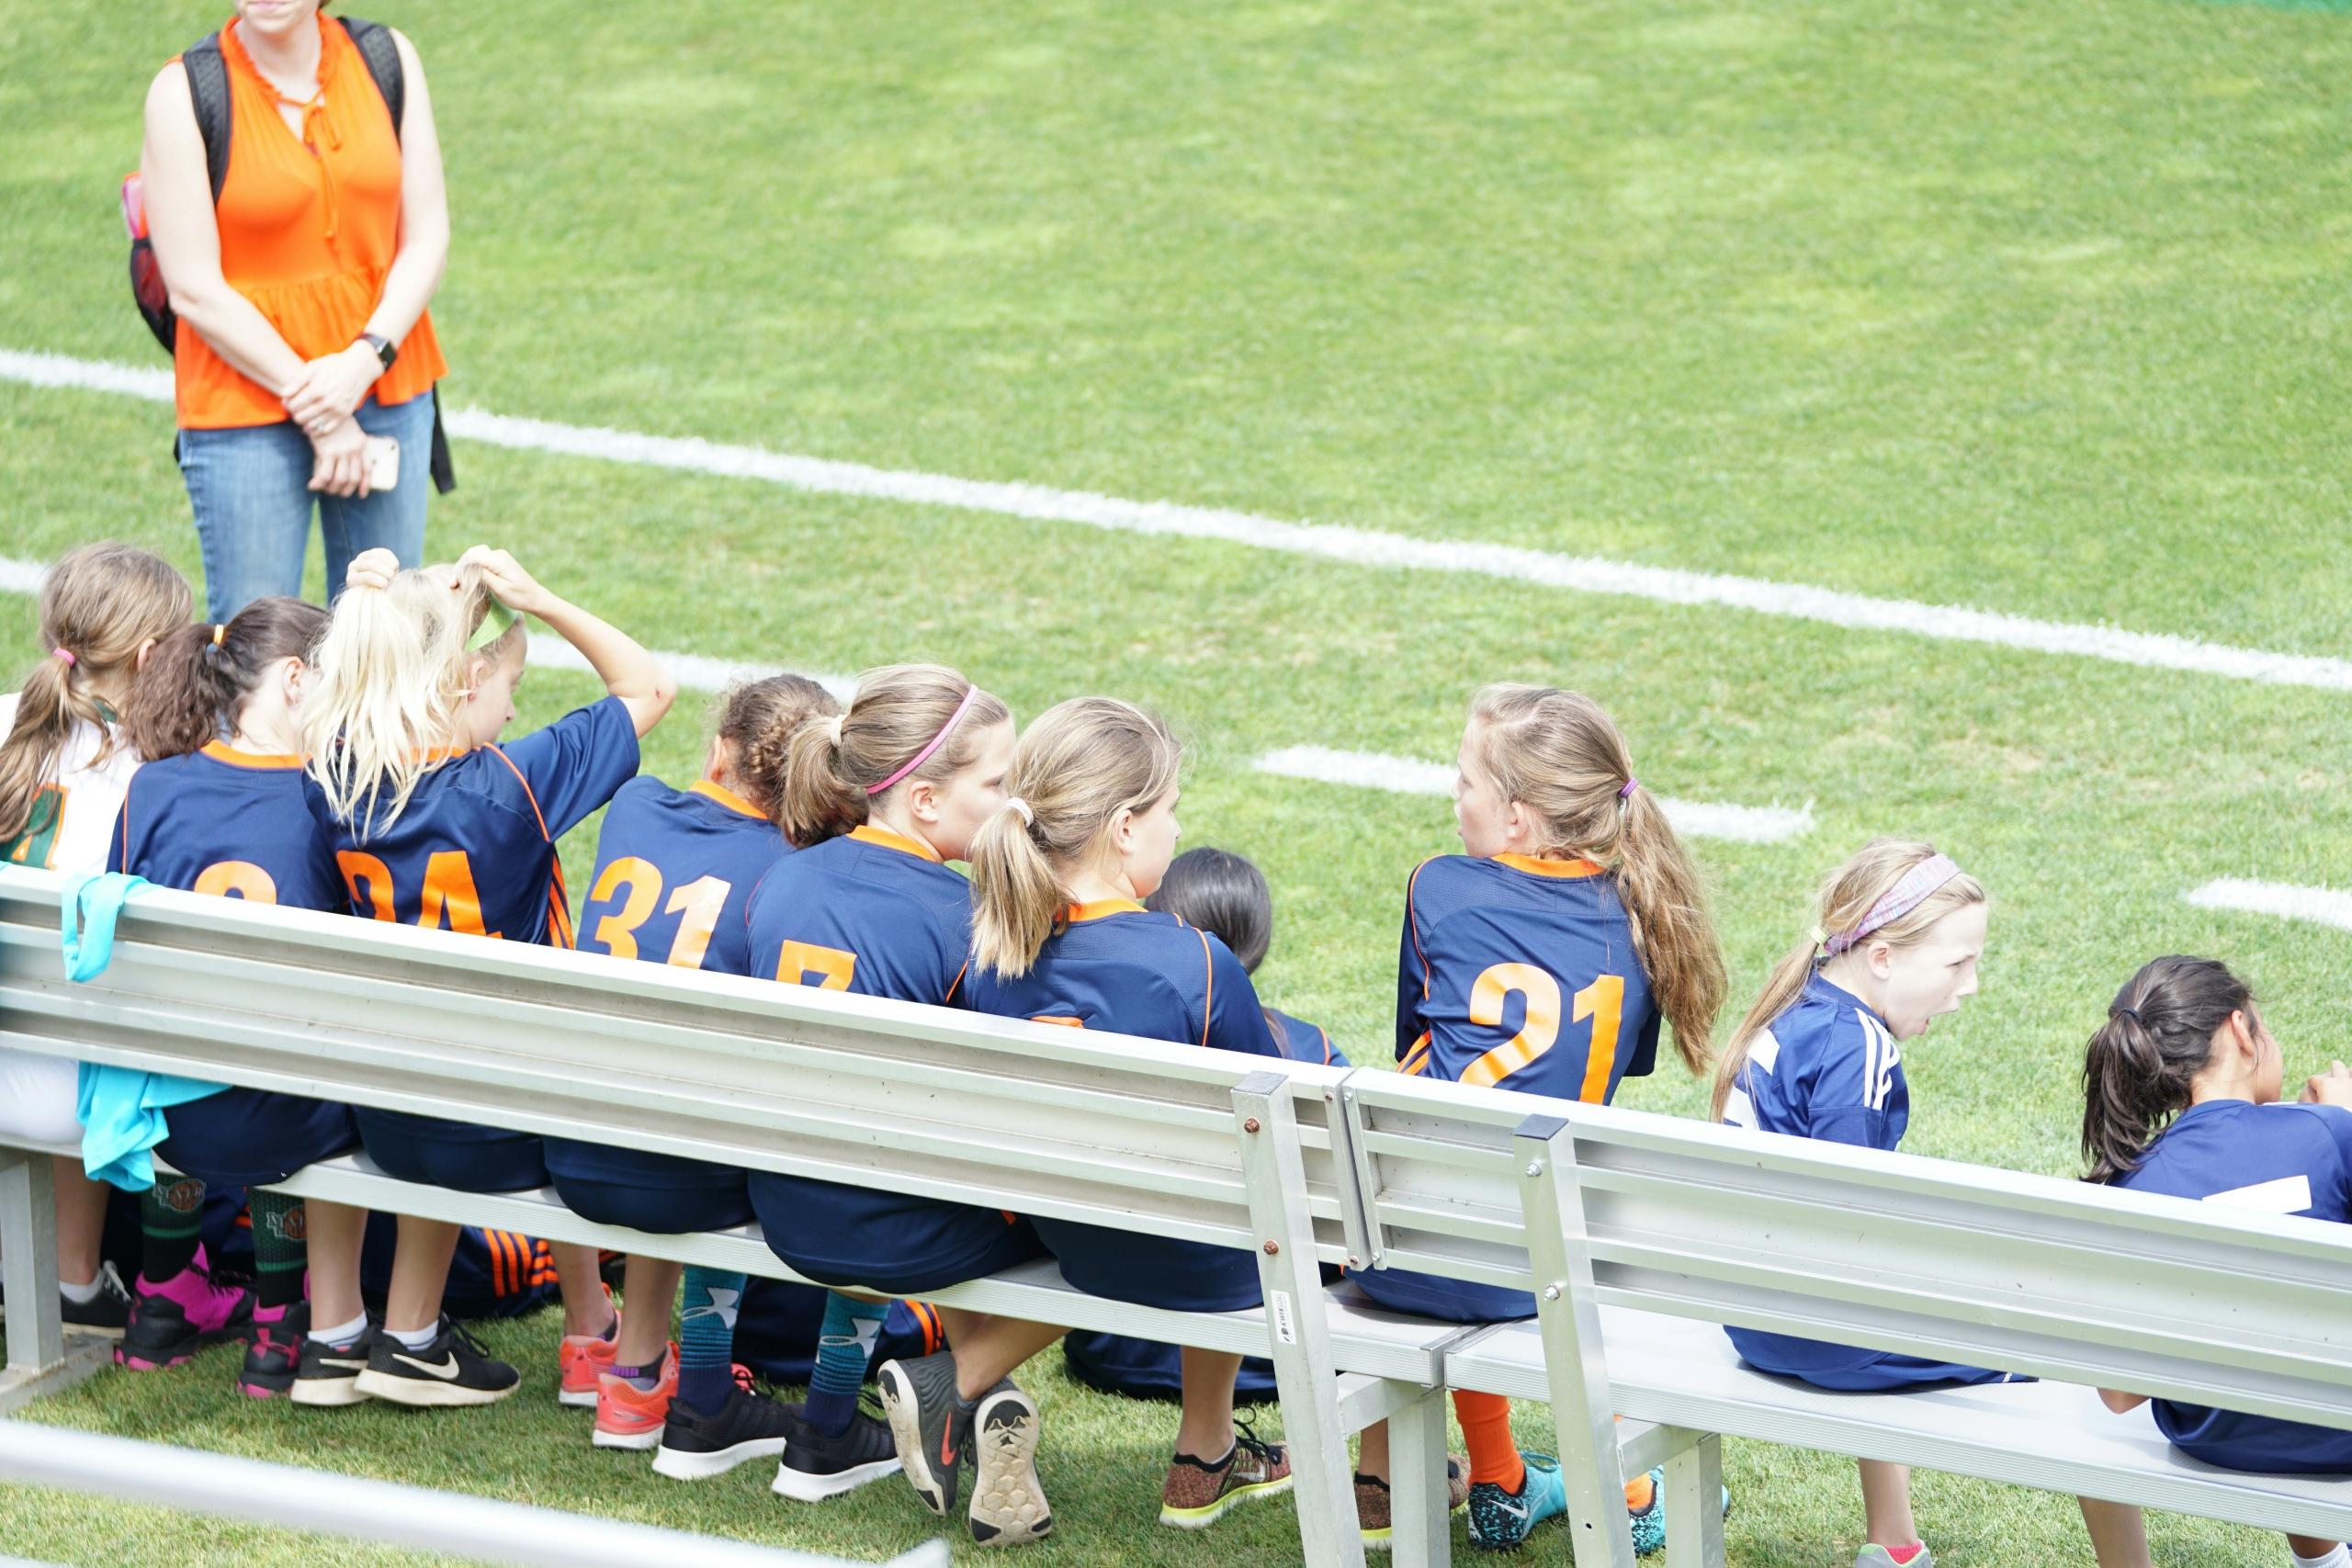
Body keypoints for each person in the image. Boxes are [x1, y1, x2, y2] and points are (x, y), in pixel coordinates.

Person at [882, 696, 1295, 1548]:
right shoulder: (1197, 962)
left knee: (1180, 1201)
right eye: (1171, 811)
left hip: (1075, 1235)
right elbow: (1275, 1137)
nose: (1178, 832)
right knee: (1248, 1208)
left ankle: (1204, 1451)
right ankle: (1218, 1450)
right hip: (1194, 1263)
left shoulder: (996, 955)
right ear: (1124, 827)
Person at [1351, 683, 1725, 1552]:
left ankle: (1496, 1473)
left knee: (1456, 1170)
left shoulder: (1439, 885)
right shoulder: (1641, 923)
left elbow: (1418, 1044)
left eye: (1465, 784)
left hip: (1397, 1251)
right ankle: (1631, 1490)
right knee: (1552, 1204)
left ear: (1517, 817)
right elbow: (1593, 1084)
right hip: (1537, 1270)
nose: (1454, 798)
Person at [300, 547, 673, 1406]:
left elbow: (363, 670)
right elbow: (647, 686)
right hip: (502, 1122)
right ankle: (585, 1330)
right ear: (462, 685)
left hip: (387, 1107)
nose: (512, 713)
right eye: (506, 690)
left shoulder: (335, 774)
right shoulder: (508, 784)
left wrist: (388, 600)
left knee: (453, 1048)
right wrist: (536, 600)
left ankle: (449, 1329)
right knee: (562, 1064)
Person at [734, 665, 1019, 1512]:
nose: (1013, 804)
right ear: (924, 800)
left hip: (784, 1205)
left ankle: (854, 1429)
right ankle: (959, 1385)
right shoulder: (966, 913)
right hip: (886, 1230)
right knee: (1088, 1233)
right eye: (997, 783)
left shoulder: (781, 877)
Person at [540, 672, 838, 1475]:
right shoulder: (794, 871)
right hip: (682, 1171)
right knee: (697, 1112)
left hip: (568, 1151)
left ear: (718, 751)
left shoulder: (636, 807)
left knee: (639, 1084)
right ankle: (638, 1371)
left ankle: (590, 1342)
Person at [102, 597, 367, 1403]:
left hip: (165, 1108)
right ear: (294, 680)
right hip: (277, 1110)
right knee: (308, 1064)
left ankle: (161, 1296)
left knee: (209, 1055)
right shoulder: (330, 797)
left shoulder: (154, 783)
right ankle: (283, 1317)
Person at [1713, 838, 2002, 1568]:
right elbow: (1855, 1233)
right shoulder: (1860, 1050)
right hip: (1821, 1335)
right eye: (1957, 963)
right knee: (2034, 1336)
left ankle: (1897, 1541)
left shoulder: (1796, 1016)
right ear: (1881, 956)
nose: (1969, 987)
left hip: (1753, 1321)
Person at [140, 0, 451, 620]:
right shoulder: (183, 93)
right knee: (256, 652)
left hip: (385, 384)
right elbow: (193, 286)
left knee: (386, 637)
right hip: (243, 407)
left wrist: (364, 361)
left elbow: (428, 236)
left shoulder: (388, 58)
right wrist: (323, 406)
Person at [2074, 957, 2352, 1568]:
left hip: (2216, 1435)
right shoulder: (2326, 1134)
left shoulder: (2135, 1182)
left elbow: (2119, 1395)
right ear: (2240, 1029)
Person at [0, 542, 191, 1342]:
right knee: (106, 1019)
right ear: (152, 658)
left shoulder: (8, 711)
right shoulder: (165, 772)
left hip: (8, 1056)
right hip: (89, 1104)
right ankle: (75, 1279)